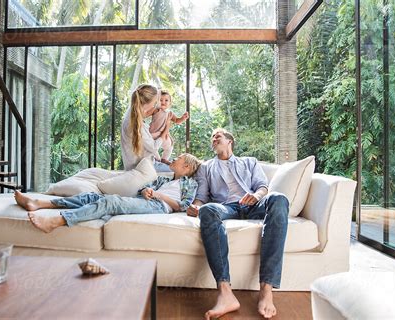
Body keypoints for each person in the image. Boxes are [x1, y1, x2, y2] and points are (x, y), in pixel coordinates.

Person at [186, 128, 289, 319]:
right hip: (227, 208)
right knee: (208, 210)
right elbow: (202, 197)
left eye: (218, 136)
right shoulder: (206, 167)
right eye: (212, 138)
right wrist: (195, 207)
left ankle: (266, 290)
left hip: (252, 204)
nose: (214, 139)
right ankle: (225, 293)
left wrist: (255, 196)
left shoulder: (249, 162)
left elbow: (262, 186)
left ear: (229, 141)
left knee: (279, 199)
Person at [15, 153, 201, 233]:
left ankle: (58, 220)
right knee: (93, 197)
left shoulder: (189, 183)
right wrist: (146, 191)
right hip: (146, 201)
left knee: (110, 202)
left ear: (186, 166)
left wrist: (158, 195)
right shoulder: (165, 179)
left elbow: (181, 206)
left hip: (159, 207)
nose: (174, 159)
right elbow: (145, 189)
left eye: (178, 158)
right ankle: (40, 203)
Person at [121, 84, 171, 172]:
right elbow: (154, 147)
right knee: (178, 171)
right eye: (155, 102)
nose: (155, 105)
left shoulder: (130, 114)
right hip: (143, 168)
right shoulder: (136, 124)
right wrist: (166, 128)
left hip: (136, 165)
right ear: (148, 103)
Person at [149, 90, 189, 164]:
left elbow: (177, 120)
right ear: (157, 101)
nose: (163, 102)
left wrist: (183, 118)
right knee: (152, 147)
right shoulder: (156, 110)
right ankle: (154, 158)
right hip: (153, 133)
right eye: (161, 100)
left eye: (166, 100)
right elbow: (146, 113)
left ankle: (164, 158)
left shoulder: (170, 113)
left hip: (163, 134)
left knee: (170, 146)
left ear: (170, 103)